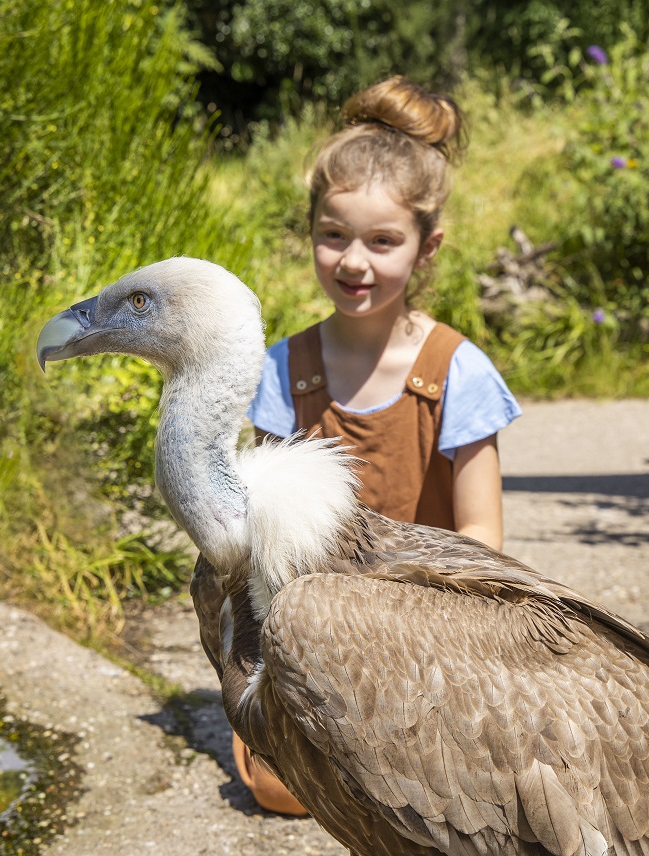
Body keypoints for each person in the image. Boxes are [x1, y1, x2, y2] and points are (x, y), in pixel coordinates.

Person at [236, 75, 522, 815]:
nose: (353, 262)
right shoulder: (282, 370)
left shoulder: (457, 370)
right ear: (310, 232)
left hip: (433, 635)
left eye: (383, 241)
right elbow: (263, 537)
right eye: (333, 235)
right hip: (318, 640)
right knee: (282, 792)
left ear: (428, 248)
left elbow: (482, 536)